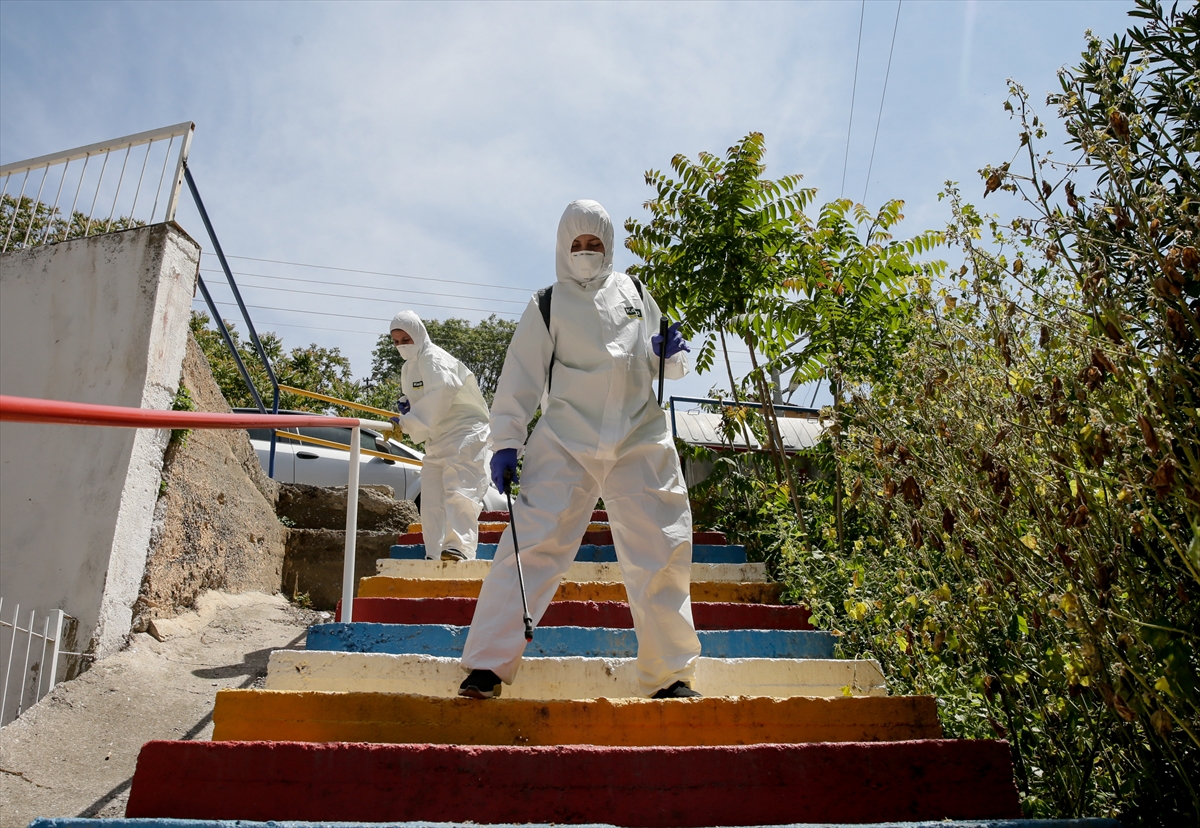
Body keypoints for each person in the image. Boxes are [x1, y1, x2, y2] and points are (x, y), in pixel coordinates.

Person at [458, 199, 701, 699]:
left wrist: (668, 355)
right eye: (578, 245)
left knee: (662, 548)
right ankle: (486, 665)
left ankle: (671, 674)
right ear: (562, 247)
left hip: (639, 436)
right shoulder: (546, 303)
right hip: (567, 439)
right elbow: (520, 376)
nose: (586, 253)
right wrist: (507, 440)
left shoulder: (636, 292)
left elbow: (665, 360)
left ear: (609, 246)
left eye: (595, 245)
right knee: (530, 545)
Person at [389, 310, 491, 561]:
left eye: (406, 339)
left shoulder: (434, 357)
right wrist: (408, 408)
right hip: (439, 436)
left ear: (419, 334)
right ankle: (434, 553)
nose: (402, 346)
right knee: (433, 496)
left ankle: (460, 548)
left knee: (460, 490)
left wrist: (410, 421)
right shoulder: (408, 368)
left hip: (466, 431)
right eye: (397, 342)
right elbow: (422, 399)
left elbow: (443, 389)